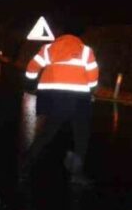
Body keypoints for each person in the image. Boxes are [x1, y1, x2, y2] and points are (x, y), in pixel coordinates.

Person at [19, 21, 98, 185]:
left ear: (61, 35)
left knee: (48, 131)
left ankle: (25, 166)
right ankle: (76, 175)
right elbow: (93, 77)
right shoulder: (86, 51)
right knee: (81, 135)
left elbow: (31, 68)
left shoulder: (49, 48)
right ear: (78, 36)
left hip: (53, 98)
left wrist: (31, 84)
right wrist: (90, 91)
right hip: (78, 99)